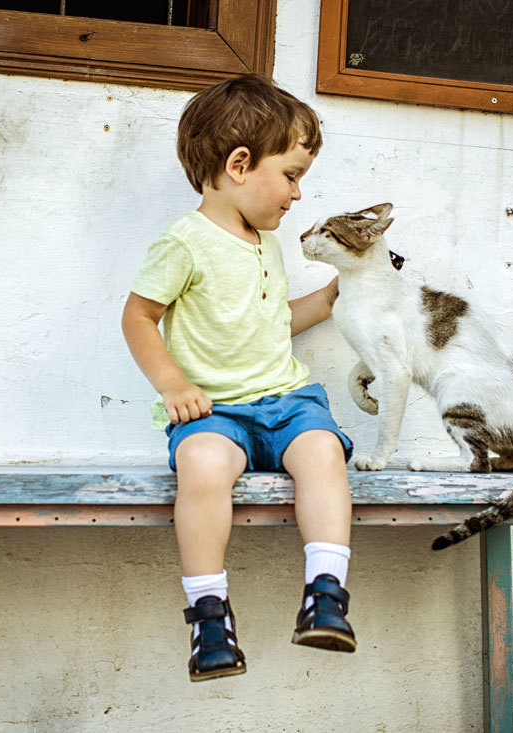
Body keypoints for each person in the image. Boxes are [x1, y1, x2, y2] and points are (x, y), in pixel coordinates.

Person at [121, 73, 356, 682]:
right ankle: (209, 615)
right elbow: (139, 315)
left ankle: (326, 592)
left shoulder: (264, 241)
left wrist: (330, 300)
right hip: (217, 413)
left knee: (324, 451)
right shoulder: (186, 242)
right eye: (293, 176)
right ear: (241, 163)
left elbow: (273, 321)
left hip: (287, 401)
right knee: (200, 465)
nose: (298, 195)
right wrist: (173, 385)